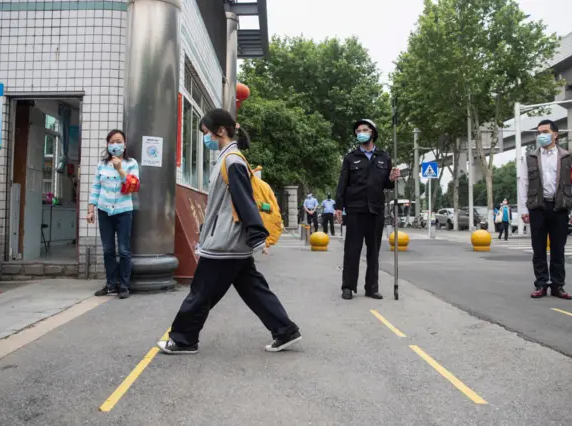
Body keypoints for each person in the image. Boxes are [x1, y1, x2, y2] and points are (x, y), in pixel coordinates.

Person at [158, 109, 301, 354]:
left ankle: (183, 339)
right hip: (231, 241)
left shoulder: (231, 161)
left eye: (206, 133)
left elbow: (244, 201)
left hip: (226, 242)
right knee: (253, 289)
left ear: (220, 131)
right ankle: (285, 330)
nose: (205, 138)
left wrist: (257, 236)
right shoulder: (229, 159)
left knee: (201, 292)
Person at [335, 119, 400, 300]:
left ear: (373, 133)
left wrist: (393, 177)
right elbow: (342, 184)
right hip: (355, 209)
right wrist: (339, 207)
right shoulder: (350, 158)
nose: (361, 133)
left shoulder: (384, 157)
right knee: (352, 250)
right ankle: (348, 287)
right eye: (358, 131)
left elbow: (387, 185)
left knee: (374, 251)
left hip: (376, 210)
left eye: (364, 130)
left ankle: (372, 288)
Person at [520, 119, 572, 300]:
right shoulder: (529, 157)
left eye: (544, 132)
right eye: (538, 132)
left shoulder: (567, 157)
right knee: (538, 249)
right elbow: (523, 183)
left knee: (558, 250)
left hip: (559, 207)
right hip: (538, 207)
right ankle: (541, 284)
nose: (541, 136)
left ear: (555, 134)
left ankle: (557, 286)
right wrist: (524, 208)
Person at [88, 129, 140, 299]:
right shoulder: (101, 165)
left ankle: (124, 285)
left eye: (119, 141)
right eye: (112, 141)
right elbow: (96, 187)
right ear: (107, 145)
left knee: (124, 250)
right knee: (108, 249)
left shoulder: (131, 163)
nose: (115, 144)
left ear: (124, 145)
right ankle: (110, 284)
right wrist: (91, 209)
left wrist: (120, 169)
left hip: (124, 211)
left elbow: (134, 185)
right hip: (104, 211)